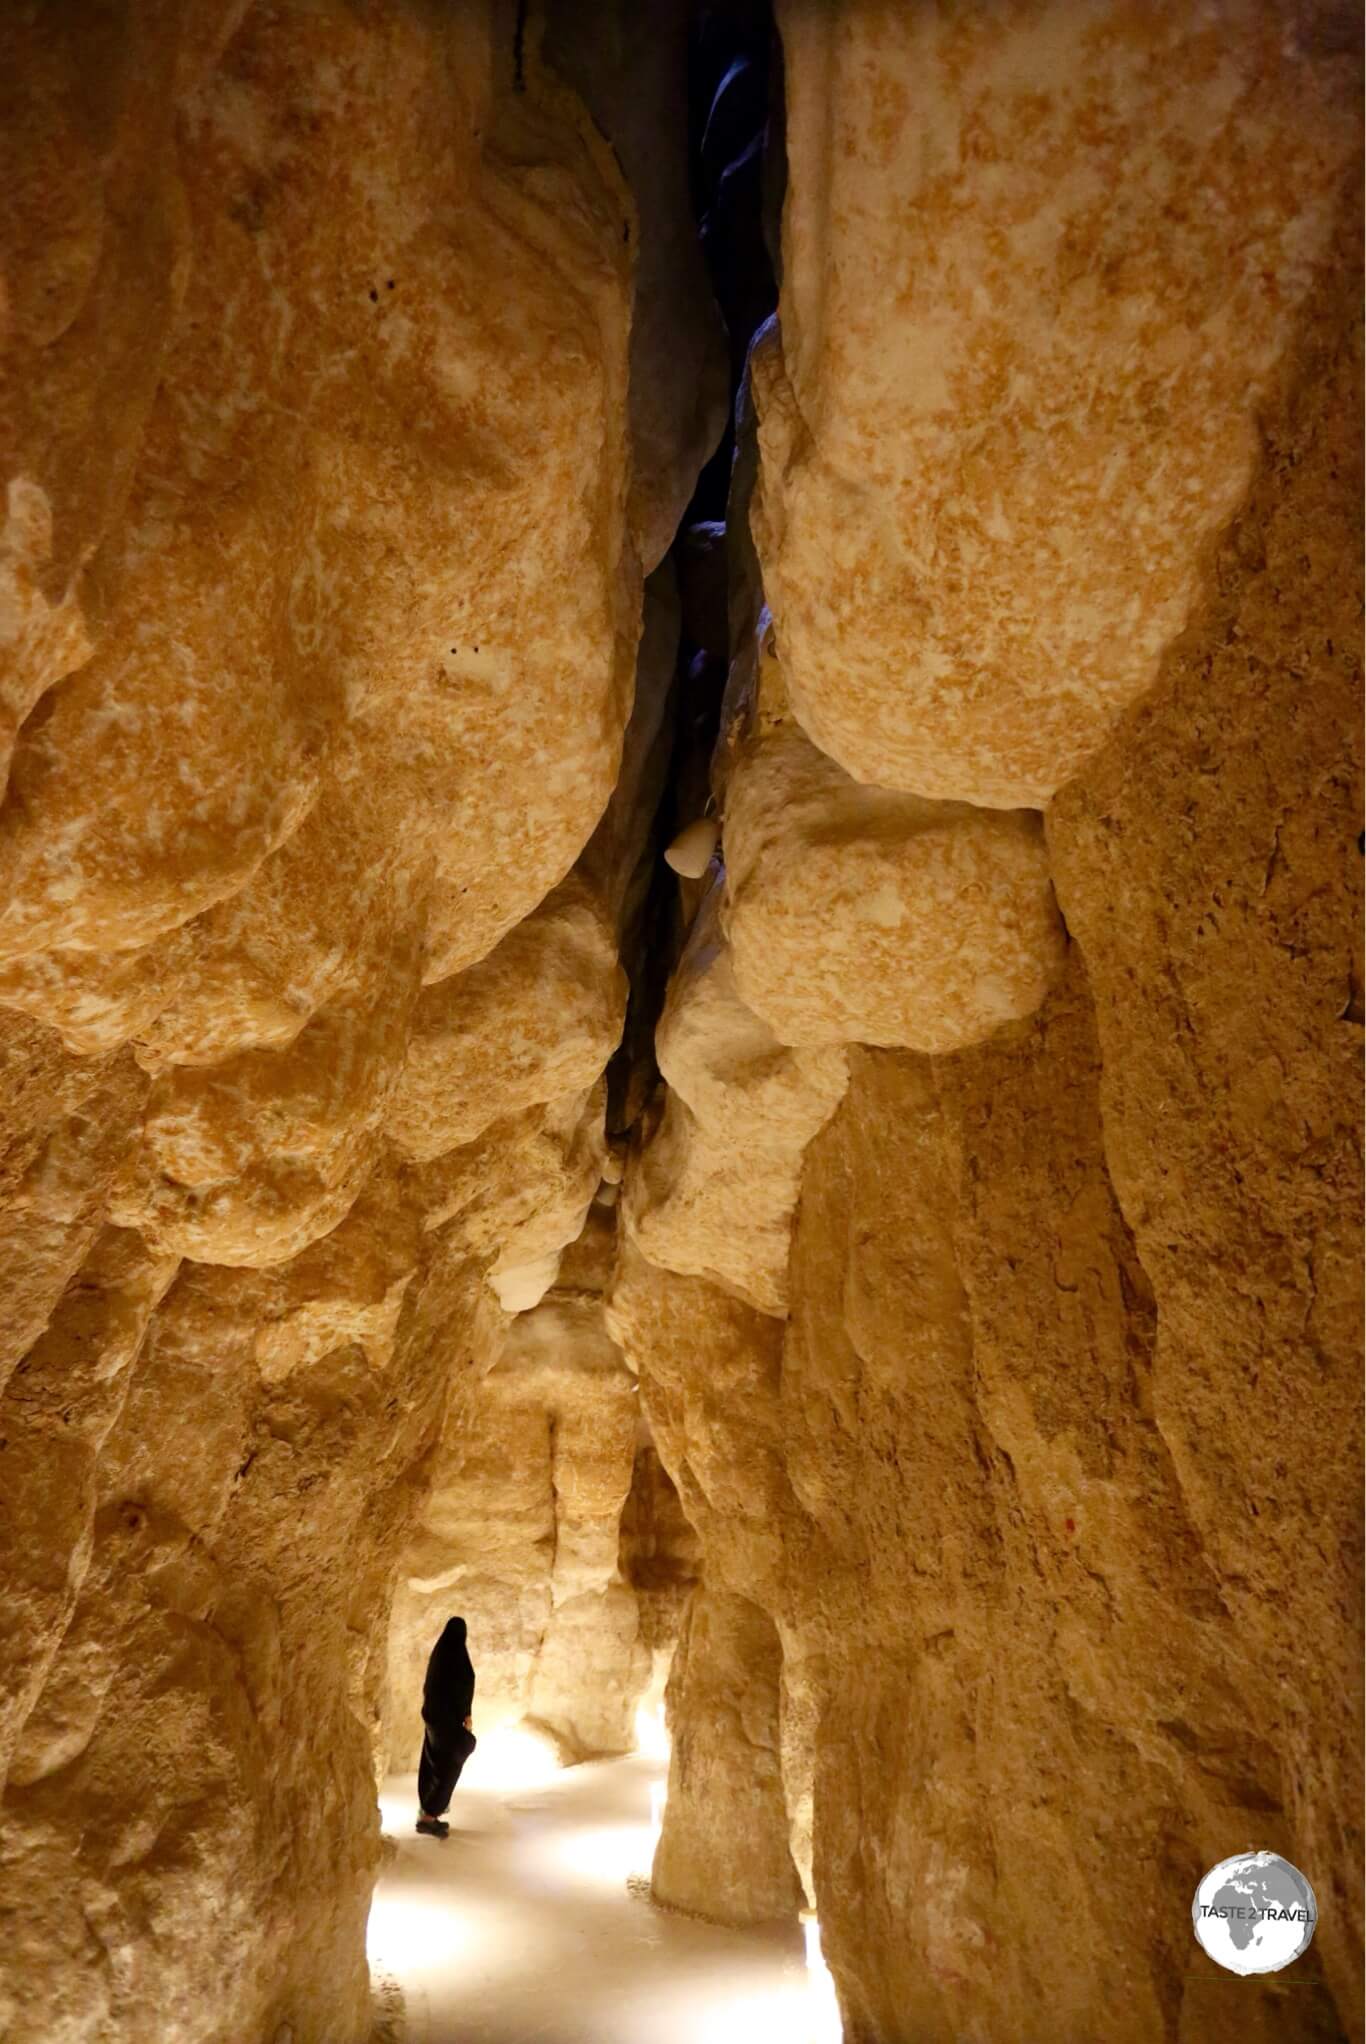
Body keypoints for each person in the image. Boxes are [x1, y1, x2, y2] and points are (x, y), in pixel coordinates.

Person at [415, 1616, 476, 1839]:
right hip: (447, 1719)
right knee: (449, 1765)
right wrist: (465, 1714)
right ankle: (429, 1815)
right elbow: (461, 1686)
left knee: (434, 1762)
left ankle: (429, 1811)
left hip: (433, 1715)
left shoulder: (439, 1655)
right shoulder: (457, 1656)